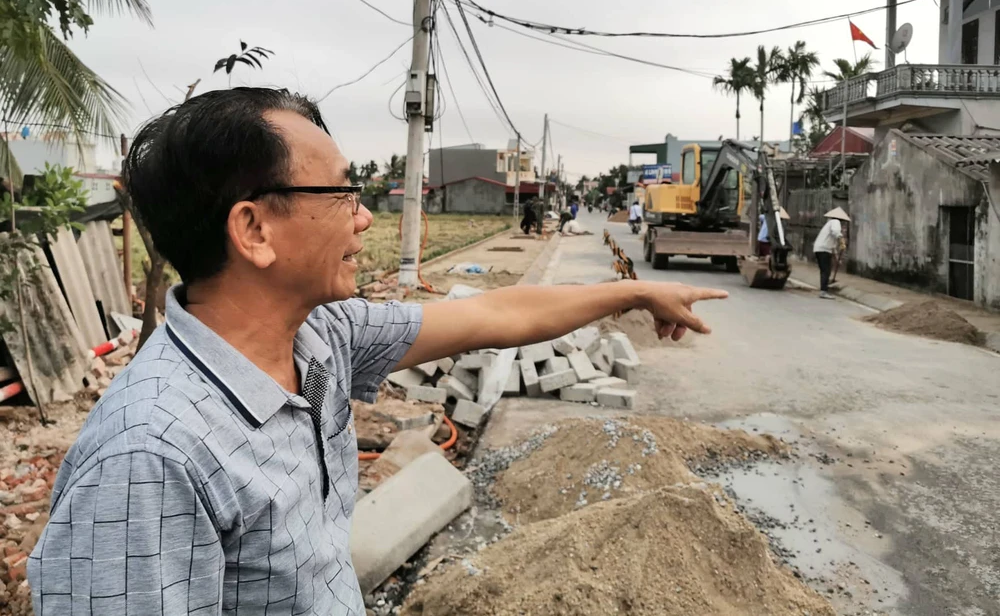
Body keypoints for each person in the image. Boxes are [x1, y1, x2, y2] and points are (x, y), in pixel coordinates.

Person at [27, 88, 727, 615]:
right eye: (341, 193)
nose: (364, 217)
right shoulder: (149, 459)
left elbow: (495, 312)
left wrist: (634, 292)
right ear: (254, 230)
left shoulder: (323, 337)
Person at [813, 207, 850, 299]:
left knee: (825, 270)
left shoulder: (829, 223)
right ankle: (823, 291)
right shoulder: (835, 222)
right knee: (826, 271)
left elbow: (833, 248)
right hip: (823, 249)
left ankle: (824, 287)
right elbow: (836, 232)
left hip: (820, 249)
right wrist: (842, 240)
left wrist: (837, 259)